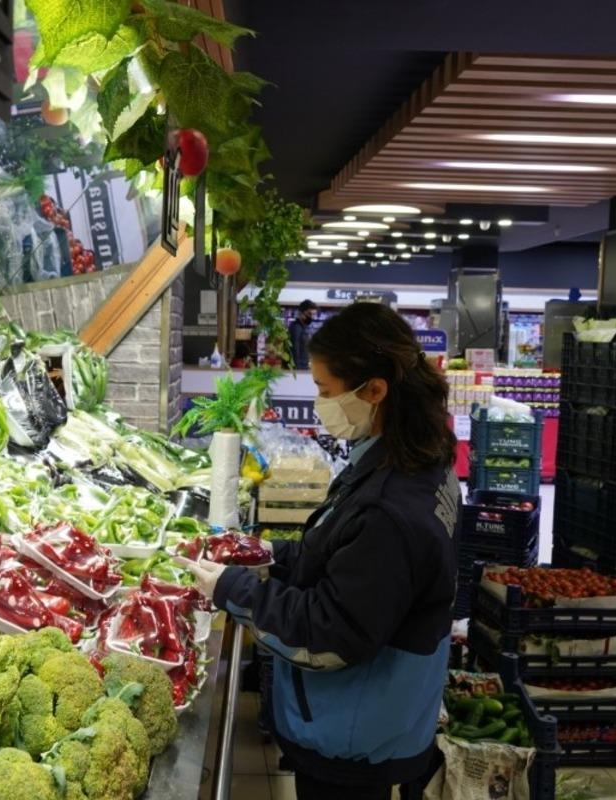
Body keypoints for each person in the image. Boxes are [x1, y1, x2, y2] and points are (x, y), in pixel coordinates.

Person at [181, 303, 459, 800]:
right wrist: (266, 553)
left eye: (326, 391)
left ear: (375, 390)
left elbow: (331, 633)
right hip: (376, 712)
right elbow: (343, 556)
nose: (318, 403)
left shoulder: (391, 510)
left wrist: (231, 588)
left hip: (356, 732)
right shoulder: (409, 459)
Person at [289, 300, 318, 370]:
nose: (312, 317)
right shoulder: (296, 327)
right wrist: (298, 370)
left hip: (304, 367)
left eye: (314, 314)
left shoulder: (304, 327)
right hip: (299, 369)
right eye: (309, 314)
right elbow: (294, 350)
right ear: (300, 313)